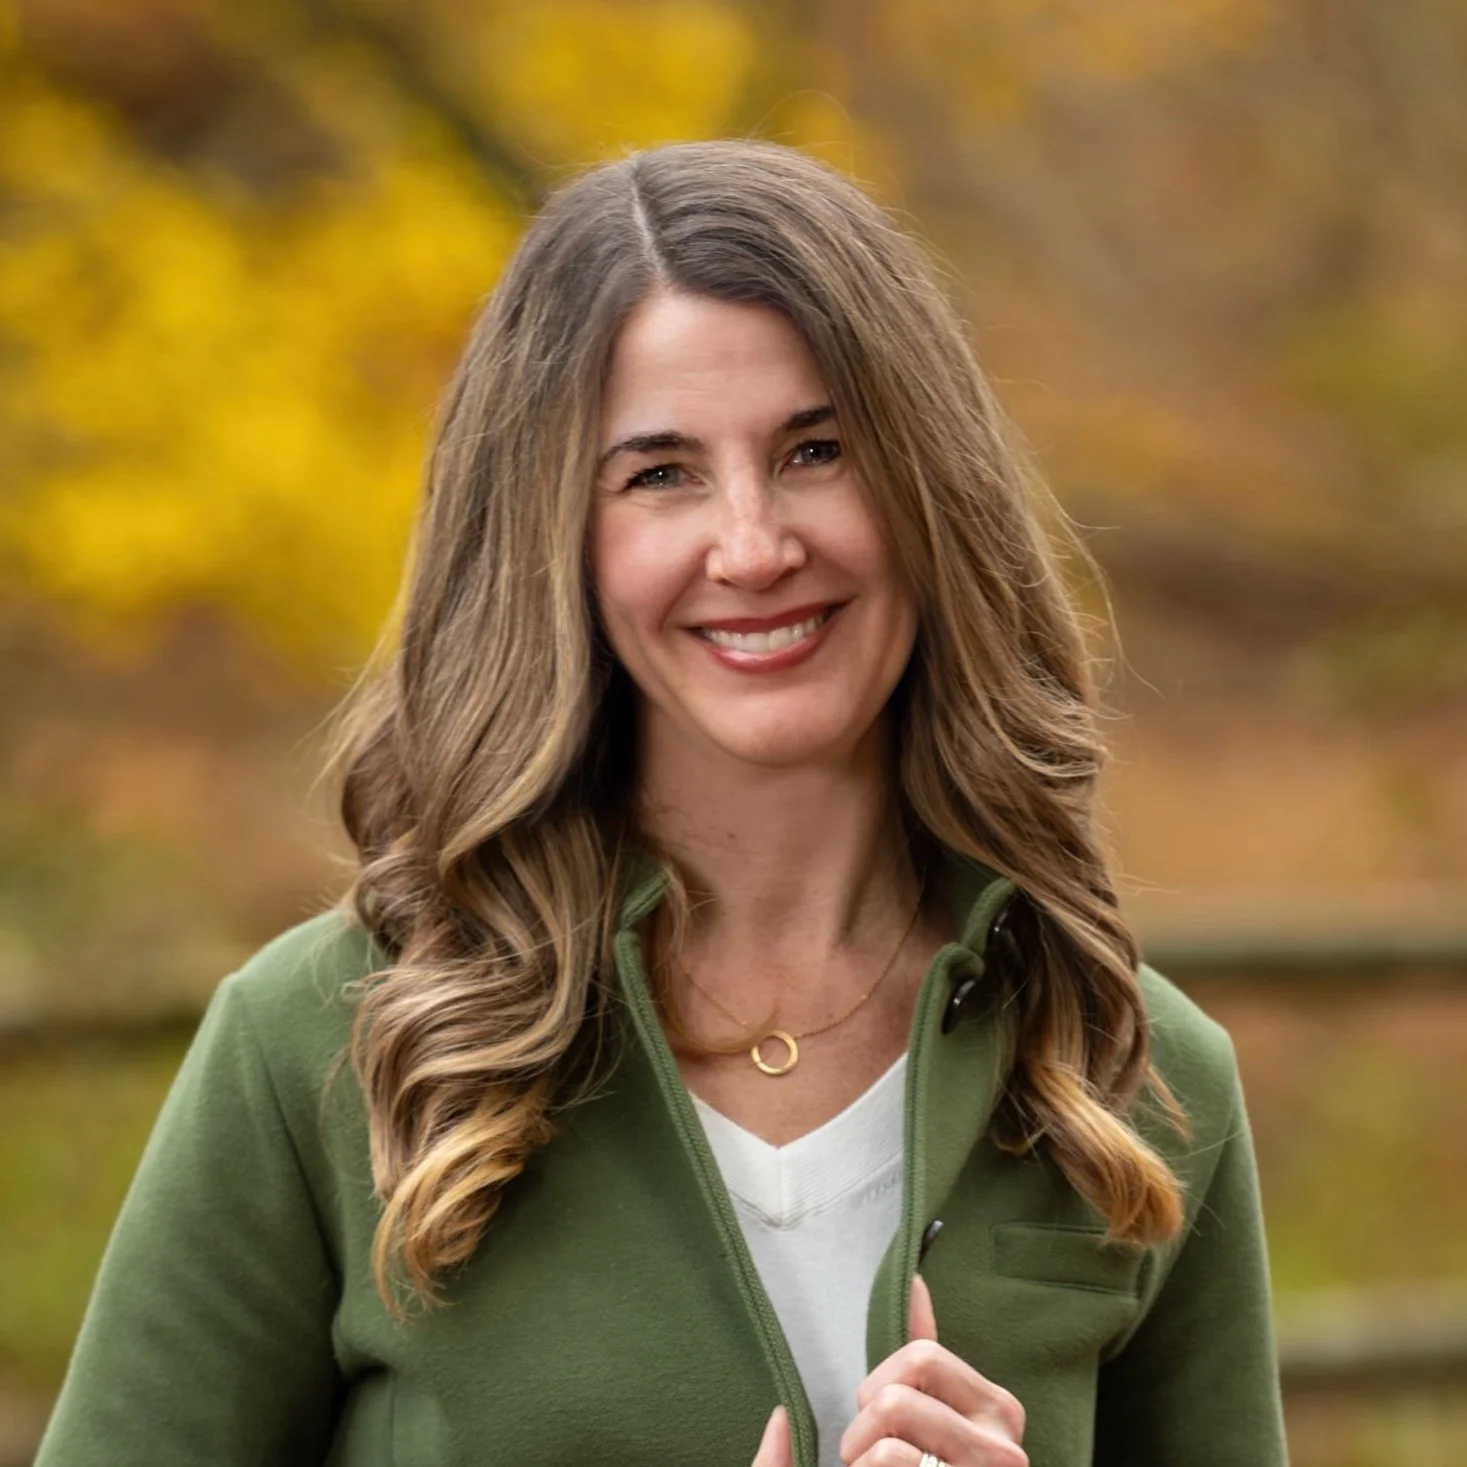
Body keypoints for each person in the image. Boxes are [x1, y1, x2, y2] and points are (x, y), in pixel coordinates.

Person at [35, 140, 1287, 1467]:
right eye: (659, 474)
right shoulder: (322, 1056)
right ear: (553, 542)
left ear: (929, 490)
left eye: (816, 449)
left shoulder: (1132, 1077)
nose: (752, 545)